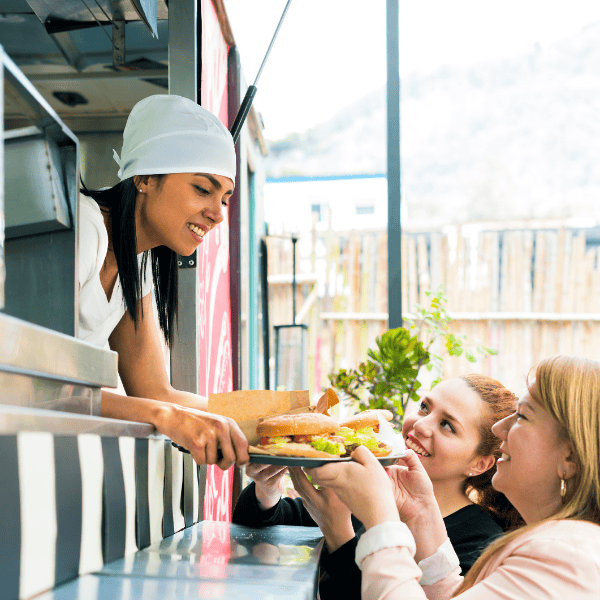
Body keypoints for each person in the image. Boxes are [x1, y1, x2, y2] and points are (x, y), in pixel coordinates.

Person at [306, 355, 600, 599]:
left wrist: (382, 520)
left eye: (522, 416)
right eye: (424, 407)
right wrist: (419, 514)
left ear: (570, 457)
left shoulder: (565, 556)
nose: (500, 430)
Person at [232, 375, 521, 597]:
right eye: (424, 408)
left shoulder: (481, 547)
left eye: (447, 425)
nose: (420, 425)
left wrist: (339, 533)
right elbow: (257, 527)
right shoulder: (375, 485)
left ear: (480, 464)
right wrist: (267, 489)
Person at [79, 94, 249, 470]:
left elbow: (156, 390)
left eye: (225, 198)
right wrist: (165, 416)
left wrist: (279, 423)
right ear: (144, 178)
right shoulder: (85, 230)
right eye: (203, 190)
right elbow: (33, 381)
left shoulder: (136, 262)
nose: (218, 214)